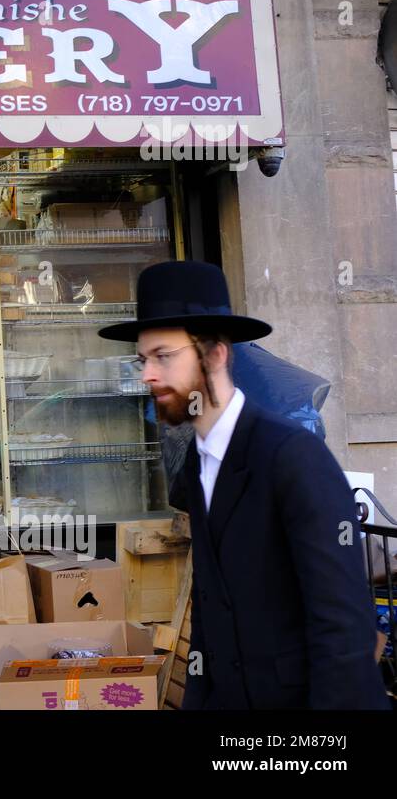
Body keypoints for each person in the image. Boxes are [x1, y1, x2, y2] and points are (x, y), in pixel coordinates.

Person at [99, 260, 387, 709]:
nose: (147, 376)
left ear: (216, 354)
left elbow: (344, 633)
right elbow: (211, 620)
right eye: (143, 359)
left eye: (164, 356)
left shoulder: (291, 455)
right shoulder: (197, 462)